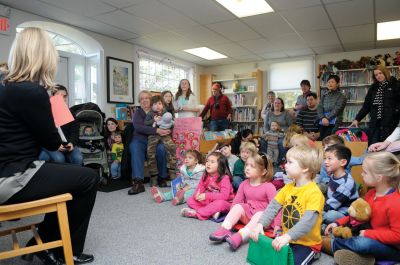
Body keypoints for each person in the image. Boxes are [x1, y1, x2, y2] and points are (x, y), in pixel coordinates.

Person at [0, 27, 97, 265]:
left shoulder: (6, 87)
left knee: (74, 176)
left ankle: (41, 243)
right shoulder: (31, 92)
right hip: (13, 176)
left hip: (8, 169)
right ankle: (63, 250)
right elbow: (52, 142)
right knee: (88, 178)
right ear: (44, 55)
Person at [250, 146, 324, 265]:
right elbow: (273, 207)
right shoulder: (287, 188)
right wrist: (261, 224)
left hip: (307, 244)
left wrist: (288, 236)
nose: (285, 165)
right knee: (268, 259)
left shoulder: (314, 193)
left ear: (305, 168)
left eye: (290, 162)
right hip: (287, 238)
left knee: (290, 263)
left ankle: (315, 253)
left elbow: (308, 221)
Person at [323, 152, 400, 265]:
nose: (362, 174)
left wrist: (369, 234)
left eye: (365, 172)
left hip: (393, 249)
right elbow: (356, 215)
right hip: (371, 236)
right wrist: (337, 223)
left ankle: (330, 245)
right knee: (354, 235)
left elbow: (397, 236)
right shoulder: (370, 194)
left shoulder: (395, 203)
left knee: (362, 244)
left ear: (379, 177)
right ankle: (365, 260)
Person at [209, 153, 281, 251]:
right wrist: (232, 217)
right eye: (246, 165)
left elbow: (276, 208)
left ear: (263, 171)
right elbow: (236, 203)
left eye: (252, 166)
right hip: (248, 215)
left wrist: (277, 225)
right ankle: (225, 229)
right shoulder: (244, 184)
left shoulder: (269, 187)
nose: (247, 168)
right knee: (238, 206)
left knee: (260, 213)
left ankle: (240, 236)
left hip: (263, 221)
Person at [128, 90, 169, 195]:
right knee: (135, 147)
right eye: (142, 98)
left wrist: (162, 129)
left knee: (161, 149)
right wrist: (155, 130)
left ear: (151, 99)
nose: (144, 100)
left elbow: (166, 122)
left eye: (147, 98)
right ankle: (138, 182)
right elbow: (138, 127)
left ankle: (162, 177)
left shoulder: (157, 110)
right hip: (140, 139)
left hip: (155, 139)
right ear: (139, 101)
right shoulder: (138, 112)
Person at [350, 65, 400, 146]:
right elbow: (366, 106)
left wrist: (395, 112)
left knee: (388, 150)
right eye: (376, 75)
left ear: (385, 73)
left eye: (380, 73)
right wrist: (357, 119)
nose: (378, 76)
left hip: (391, 123)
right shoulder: (373, 88)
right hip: (375, 124)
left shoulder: (396, 85)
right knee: (373, 147)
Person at [180, 152, 234, 220]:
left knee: (220, 203)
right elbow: (199, 189)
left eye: (212, 162)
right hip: (210, 202)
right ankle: (210, 212)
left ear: (221, 165)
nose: (208, 164)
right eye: (207, 161)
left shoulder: (224, 178)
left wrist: (206, 195)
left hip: (225, 203)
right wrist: (197, 195)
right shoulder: (205, 176)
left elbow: (224, 196)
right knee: (190, 200)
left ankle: (197, 214)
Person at [38, 85, 84, 166]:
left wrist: (72, 143)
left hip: (67, 144)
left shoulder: (70, 113)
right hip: (50, 143)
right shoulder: (45, 112)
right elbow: (42, 133)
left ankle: (74, 178)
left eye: (65, 96)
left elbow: (75, 131)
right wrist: (55, 145)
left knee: (78, 158)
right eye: (60, 96)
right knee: (59, 159)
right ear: (52, 96)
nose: (63, 98)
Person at [144, 95, 177, 185]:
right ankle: (154, 176)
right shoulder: (150, 114)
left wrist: (170, 126)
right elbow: (145, 124)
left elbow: (172, 123)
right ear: (151, 106)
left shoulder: (166, 113)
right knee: (150, 153)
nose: (158, 106)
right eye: (155, 104)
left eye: (159, 103)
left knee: (172, 148)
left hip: (165, 135)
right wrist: (153, 121)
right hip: (153, 136)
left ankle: (172, 171)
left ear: (163, 105)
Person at [322, 145, 359, 224]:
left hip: (345, 213)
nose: (325, 161)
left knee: (329, 216)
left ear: (343, 162)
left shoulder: (346, 184)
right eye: (325, 158)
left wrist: (316, 210)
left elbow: (332, 204)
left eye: (329, 158)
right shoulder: (333, 175)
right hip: (333, 207)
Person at [317, 74, 347, 140]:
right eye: (329, 82)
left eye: (332, 82)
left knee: (330, 140)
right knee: (322, 140)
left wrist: (327, 118)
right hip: (323, 121)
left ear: (337, 84)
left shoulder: (341, 96)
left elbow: (337, 109)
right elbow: (319, 107)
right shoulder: (324, 95)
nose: (330, 83)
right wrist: (322, 118)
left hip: (335, 122)